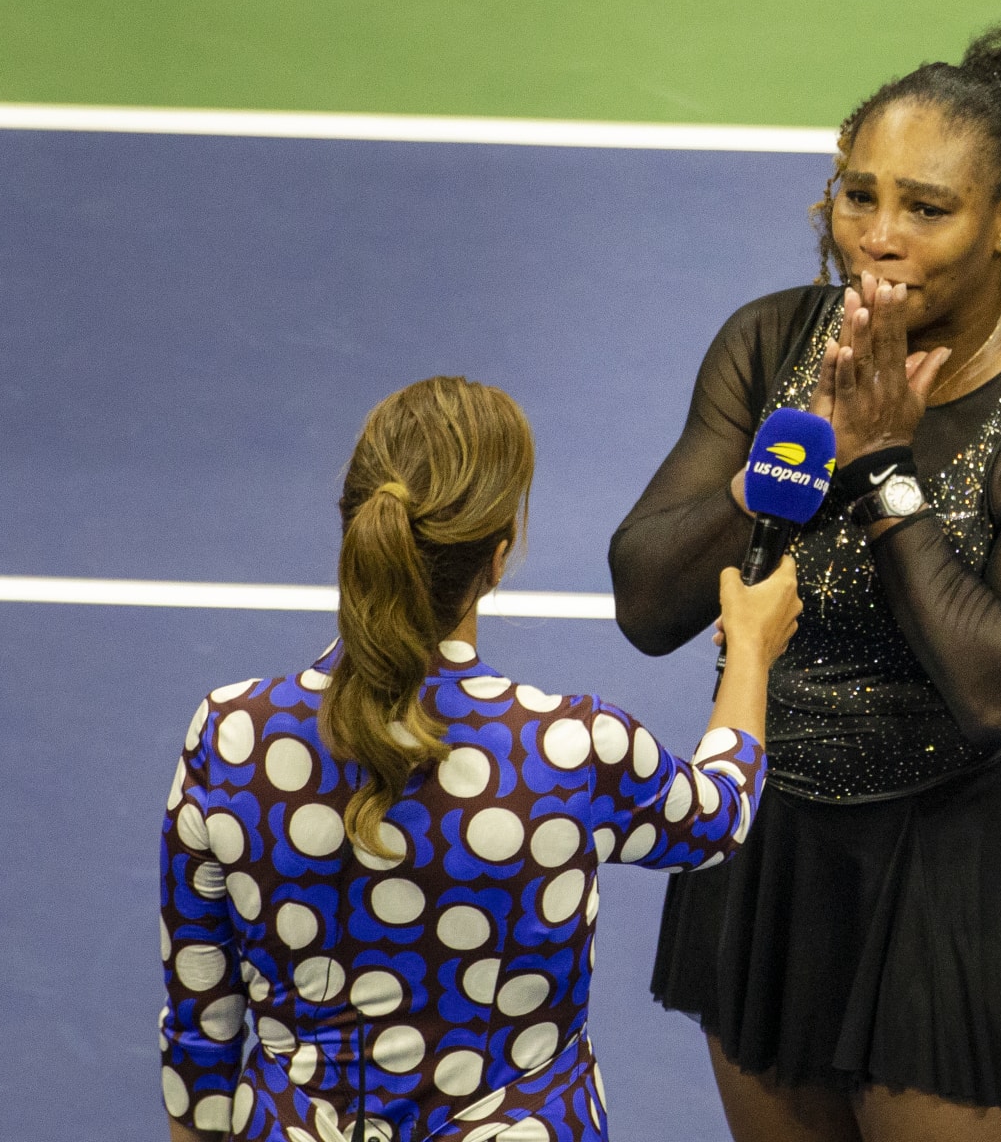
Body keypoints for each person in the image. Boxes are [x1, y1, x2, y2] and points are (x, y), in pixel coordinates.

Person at [609, 19, 1001, 1142]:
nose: (878, 234)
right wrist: (790, 457)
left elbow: (1000, 687)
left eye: (926, 206)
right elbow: (647, 604)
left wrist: (875, 470)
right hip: (775, 857)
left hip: (969, 881)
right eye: (857, 195)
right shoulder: (770, 342)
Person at [160, 376, 801, 1142]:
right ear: (498, 559)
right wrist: (753, 652)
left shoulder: (228, 736)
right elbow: (720, 814)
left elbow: (202, 1015)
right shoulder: (573, 751)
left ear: (354, 532)